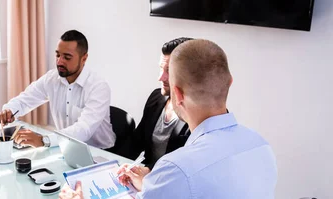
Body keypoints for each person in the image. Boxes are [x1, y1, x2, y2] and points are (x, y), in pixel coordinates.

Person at [60, 39, 277, 199]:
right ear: (229, 82)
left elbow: (181, 179)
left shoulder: (177, 168)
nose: (160, 78)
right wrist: (150, 183)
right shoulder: (261, 147)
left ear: (178, 95)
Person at [0, 30, 115, 149]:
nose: (59, 61)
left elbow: (84, 129)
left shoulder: (98, 87)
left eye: (67, 57)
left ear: (84, 58)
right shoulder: (51, 79)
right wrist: (9, 110)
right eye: (58, 55)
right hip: (66, 147)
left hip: (101, 152)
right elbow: (25, 99)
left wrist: (44, 140)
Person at [124, 37, 193, 169]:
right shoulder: (156, 98)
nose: (160, 77)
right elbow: (135, 142)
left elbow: (183, 165)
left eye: (169, 71)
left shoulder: (196, 114)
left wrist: (148, 172)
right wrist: (114, 165)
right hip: (145, 178)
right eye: (161, 69)